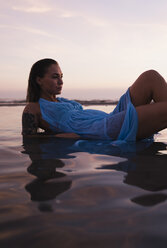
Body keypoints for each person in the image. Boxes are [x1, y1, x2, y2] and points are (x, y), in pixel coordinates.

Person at [22, 58, 167, 141]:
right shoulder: (33, 107)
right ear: (39, 80)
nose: (61, 81)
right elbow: (29, 140)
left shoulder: (63, 101)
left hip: (110, 117)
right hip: (100, 129)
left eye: (61, 76)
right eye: (55, 77)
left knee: (150, 77)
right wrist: (58, 137)